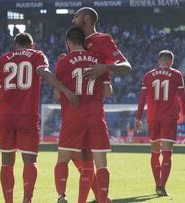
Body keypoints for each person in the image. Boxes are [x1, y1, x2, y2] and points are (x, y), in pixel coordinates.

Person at [0, 33, 78, 203]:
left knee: (6, 163)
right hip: (28, 116)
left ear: (14, 45)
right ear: (32, 45)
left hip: (6, 116)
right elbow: (44, 72)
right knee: (29, 161)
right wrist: (65, 90)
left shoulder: (3, 59)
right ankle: (27, 200)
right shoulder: (37, 55)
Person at [71, 7, 132, 202]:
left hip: (92, 107)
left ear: (87, 18)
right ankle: (101, 197)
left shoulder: (102, 40)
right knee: (75, 154)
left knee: (94, 158)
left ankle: (101, 197)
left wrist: (105, 68)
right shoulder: (76, 42)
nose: (73, 20)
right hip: (75, 107)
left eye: (76, 16)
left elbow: (126, 66)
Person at [54, 27, 112, 203]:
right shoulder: (99, 60)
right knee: (100, 162)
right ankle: (102, 199)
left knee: (63, 158)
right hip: (95, 116)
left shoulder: (63, 61)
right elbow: (108, 91)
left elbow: (58, 94)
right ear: (85, 43)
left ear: (68, 42)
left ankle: (62, 196)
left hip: (73, 116)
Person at [135, 50, 185, 196]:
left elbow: (142, 99)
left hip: (153, 118)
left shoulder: (148, 75)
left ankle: (157, 184)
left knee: (155, 153)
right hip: (169, 118)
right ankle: (161, 187)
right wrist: (182, 113)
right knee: (167, 154)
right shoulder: (176, 75)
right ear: (171, 62)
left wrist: (138, 118)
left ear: (159, 61)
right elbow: (183, 98)